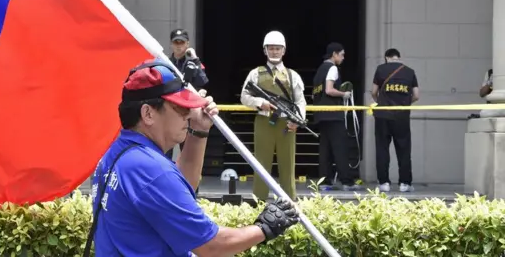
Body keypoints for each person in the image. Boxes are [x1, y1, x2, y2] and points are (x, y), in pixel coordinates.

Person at [86, 59, 300, 257]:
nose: (188, 114)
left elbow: (181, 185)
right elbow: (211, 245)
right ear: (148, 114)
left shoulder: (120, 152)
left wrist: (198, 131)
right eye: (179, 107)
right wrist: (265, 227)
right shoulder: (150, 169)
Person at [240, 31, 306, 201]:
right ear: (265, 50)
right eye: (271, 48)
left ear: (283, 51)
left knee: (287, 165)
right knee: (261, 164)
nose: (274, 52)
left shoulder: (292, 76)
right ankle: (258, 201)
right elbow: (244, 97)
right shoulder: (255, 74)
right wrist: (259, 102)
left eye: (278, 48)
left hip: (286, 124)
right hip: (264, 121)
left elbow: (300, 101)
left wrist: (296, 121)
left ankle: (290, 203)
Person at [311, 42, 359, 191]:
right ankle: (347, 181)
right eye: (342, 54)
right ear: (334, 54)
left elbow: (314, 94)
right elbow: (329, 90)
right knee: (340, 148)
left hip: (321, 114)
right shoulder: (332, 68)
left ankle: (325, 182)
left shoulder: (319, 70)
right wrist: (344, 94)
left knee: (325, 149)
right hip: (333, 114)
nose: (343, 58)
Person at [371, 48, 419, 193]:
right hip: (401, 116)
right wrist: (404, 103)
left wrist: (379, 102)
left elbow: (374, 92)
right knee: (404, 149)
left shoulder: (380, 69)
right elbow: (416, 95)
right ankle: (405, 183)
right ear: (398, 57)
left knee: (382, 149)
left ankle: (384, 183)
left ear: (386, 58)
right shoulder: (410, 72)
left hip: (382, 115)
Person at [166, 28, 209, 161]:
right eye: (176, 42)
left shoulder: (192, 62)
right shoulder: (166, 63)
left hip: (188, 112)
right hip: (170, 111)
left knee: (188, 152)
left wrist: (195, 58)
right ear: (171, 44)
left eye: (182, 42)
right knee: (166, 150)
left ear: (187, 44)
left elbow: (203, 81)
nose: (179, 45)